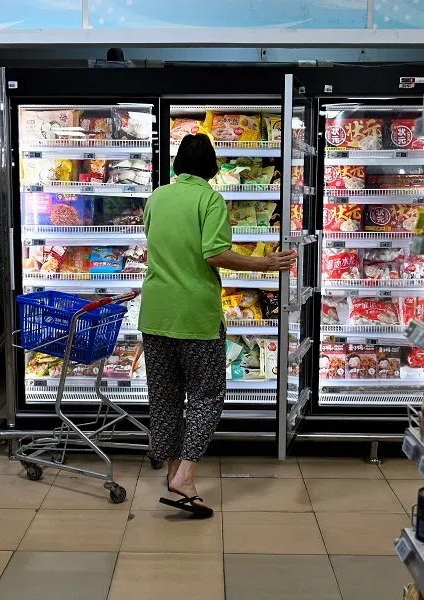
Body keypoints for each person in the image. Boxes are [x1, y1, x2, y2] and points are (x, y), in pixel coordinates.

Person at [138, 133, 297, 517]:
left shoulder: (158, 196)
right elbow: (213, 253)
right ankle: (186, 476)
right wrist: (264, 264)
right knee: (207, 396)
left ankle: (174, 470)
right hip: (195, 317)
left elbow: (155, 242)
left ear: (176, 164)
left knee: (165, 398)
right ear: (212, 168)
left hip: (156, 313)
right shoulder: (210, 199)